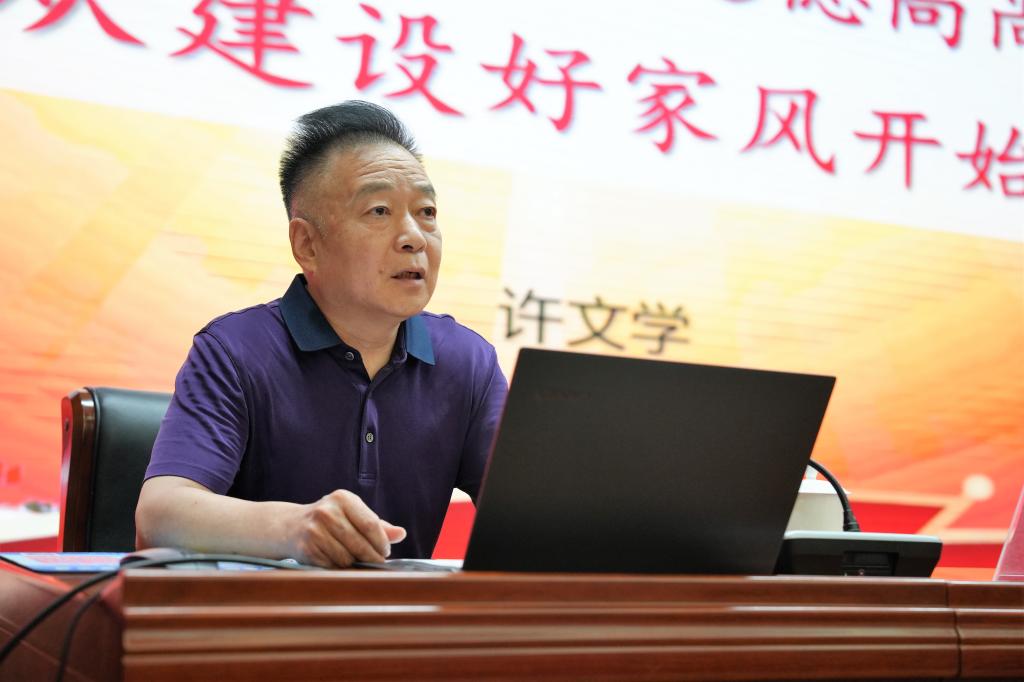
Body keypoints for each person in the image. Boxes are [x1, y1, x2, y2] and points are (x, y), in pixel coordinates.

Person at [135, 101, 508, 568]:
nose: (414, 236)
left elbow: (531, 513)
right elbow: (160, 514)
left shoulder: (469, 362)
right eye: (379, 211)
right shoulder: (235, 351)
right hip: (259, 611)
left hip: (404, 614)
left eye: (426, 211)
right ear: (307, 244)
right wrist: (291, 528)